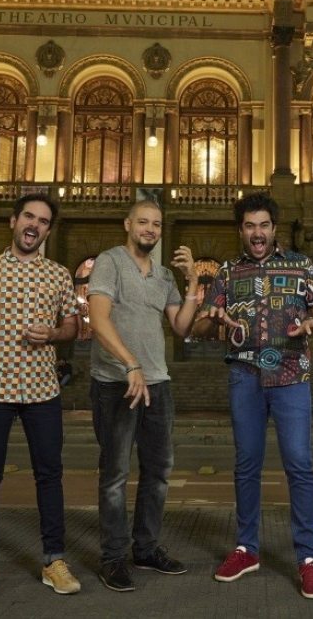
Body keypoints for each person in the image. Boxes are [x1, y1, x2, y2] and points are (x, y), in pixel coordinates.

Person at [192, 192, 313, 600]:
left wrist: (310, 321)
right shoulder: (227, 271)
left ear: (274, 228)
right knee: (246, 465)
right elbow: (198, 330)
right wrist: (211, 316)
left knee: (300, 465)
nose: (258, 233)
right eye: (250, 226)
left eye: (264, 225)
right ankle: (246, 548)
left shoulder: (301, 265)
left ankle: (308, 557)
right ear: (242, 231)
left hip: (291, 376)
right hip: (244, 377)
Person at [0, 193, 81, 599]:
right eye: (29, 216)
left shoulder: (59, 274)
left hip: (42, 389)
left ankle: (54, 560)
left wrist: (54, 335)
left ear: (48, 229)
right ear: (14, 221)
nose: (34, 225)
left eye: (43, 221)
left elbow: (72, 327)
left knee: (50, 475)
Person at [88, 199, 199, 592]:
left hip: (157, 384)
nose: (150, 229)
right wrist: (129, 364)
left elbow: (182, 328)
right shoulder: (110, 261)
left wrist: (191, 286)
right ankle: (113, 557)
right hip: (115, 384)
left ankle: (146, 549)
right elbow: (97, 318)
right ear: (128, 224)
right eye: (143, 222)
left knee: (158, 473)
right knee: (115, 474)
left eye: (156, 224)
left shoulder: (165, 275)